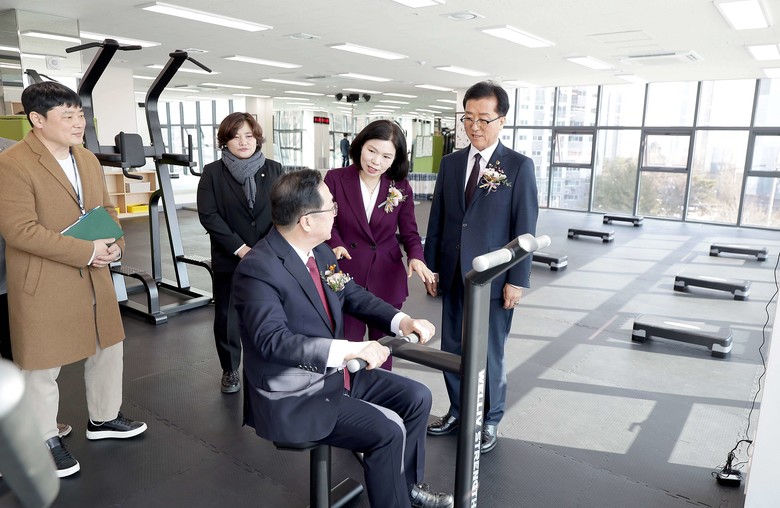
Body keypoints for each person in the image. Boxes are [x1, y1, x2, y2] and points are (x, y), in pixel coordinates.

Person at [232, 169, 453, 508]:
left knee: (418, 397)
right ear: (307, 221)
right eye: (331, 207)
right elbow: (273, 341)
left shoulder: (319, 252)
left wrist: (402, 320)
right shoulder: (258, 268)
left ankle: (405, 488)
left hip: (336, 376)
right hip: (297, 393)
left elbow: (350, 293)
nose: (337, 212)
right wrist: (352, 349)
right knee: (388, 431)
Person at [0, 82, 147, 478]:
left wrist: (114, 245)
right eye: (67, 116)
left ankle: (104, 418)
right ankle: (43, 439)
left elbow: (105, 210)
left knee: (107, 345)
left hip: (94, 273)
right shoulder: (12, 163)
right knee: (41, 364)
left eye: (80, 114)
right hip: (44, 278)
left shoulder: (86, 158)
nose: (79, 123)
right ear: (37, 120)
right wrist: (86, 251)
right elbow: (19, 231)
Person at [424, 81, 539, 454]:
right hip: (453, 273)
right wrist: (432, 267)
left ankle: (489, 419)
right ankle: (459, 411)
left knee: (490, 352)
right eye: (468, 118)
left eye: (484, 119)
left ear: (502, 120)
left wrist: (517, 280)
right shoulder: (451, 163)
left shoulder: (519, 166)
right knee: (453, 348)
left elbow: (525, 231)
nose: (474, 126)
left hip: (493, 278)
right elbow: (438, 219)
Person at [325, 120, 434, 370]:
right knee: (348, 348)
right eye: (371, 151)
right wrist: (336, 243)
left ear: (395, 159)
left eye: (386, 156)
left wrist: (416, 257)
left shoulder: (400, 186)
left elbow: (410, 232)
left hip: (386, 275)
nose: (376, 161)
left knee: (383, 349)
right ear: (360, 146)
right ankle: (348, 393)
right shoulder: (336, 178)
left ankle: (381, 393)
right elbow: (328, 222)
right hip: (346, 272)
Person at [197, 112, 283, 394]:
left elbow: (284, 210)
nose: (243, 142)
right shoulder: (212, 172)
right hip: (229, 256)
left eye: (248, 135)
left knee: (271, 311)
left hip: (269, 255)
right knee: (227, 316)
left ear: (257, 138)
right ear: (225, 141)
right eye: (235, 137)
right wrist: (240, 248)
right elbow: (209, 215)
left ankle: (269, 364)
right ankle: (230, 369)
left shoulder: (274, 169)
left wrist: (266, 247)